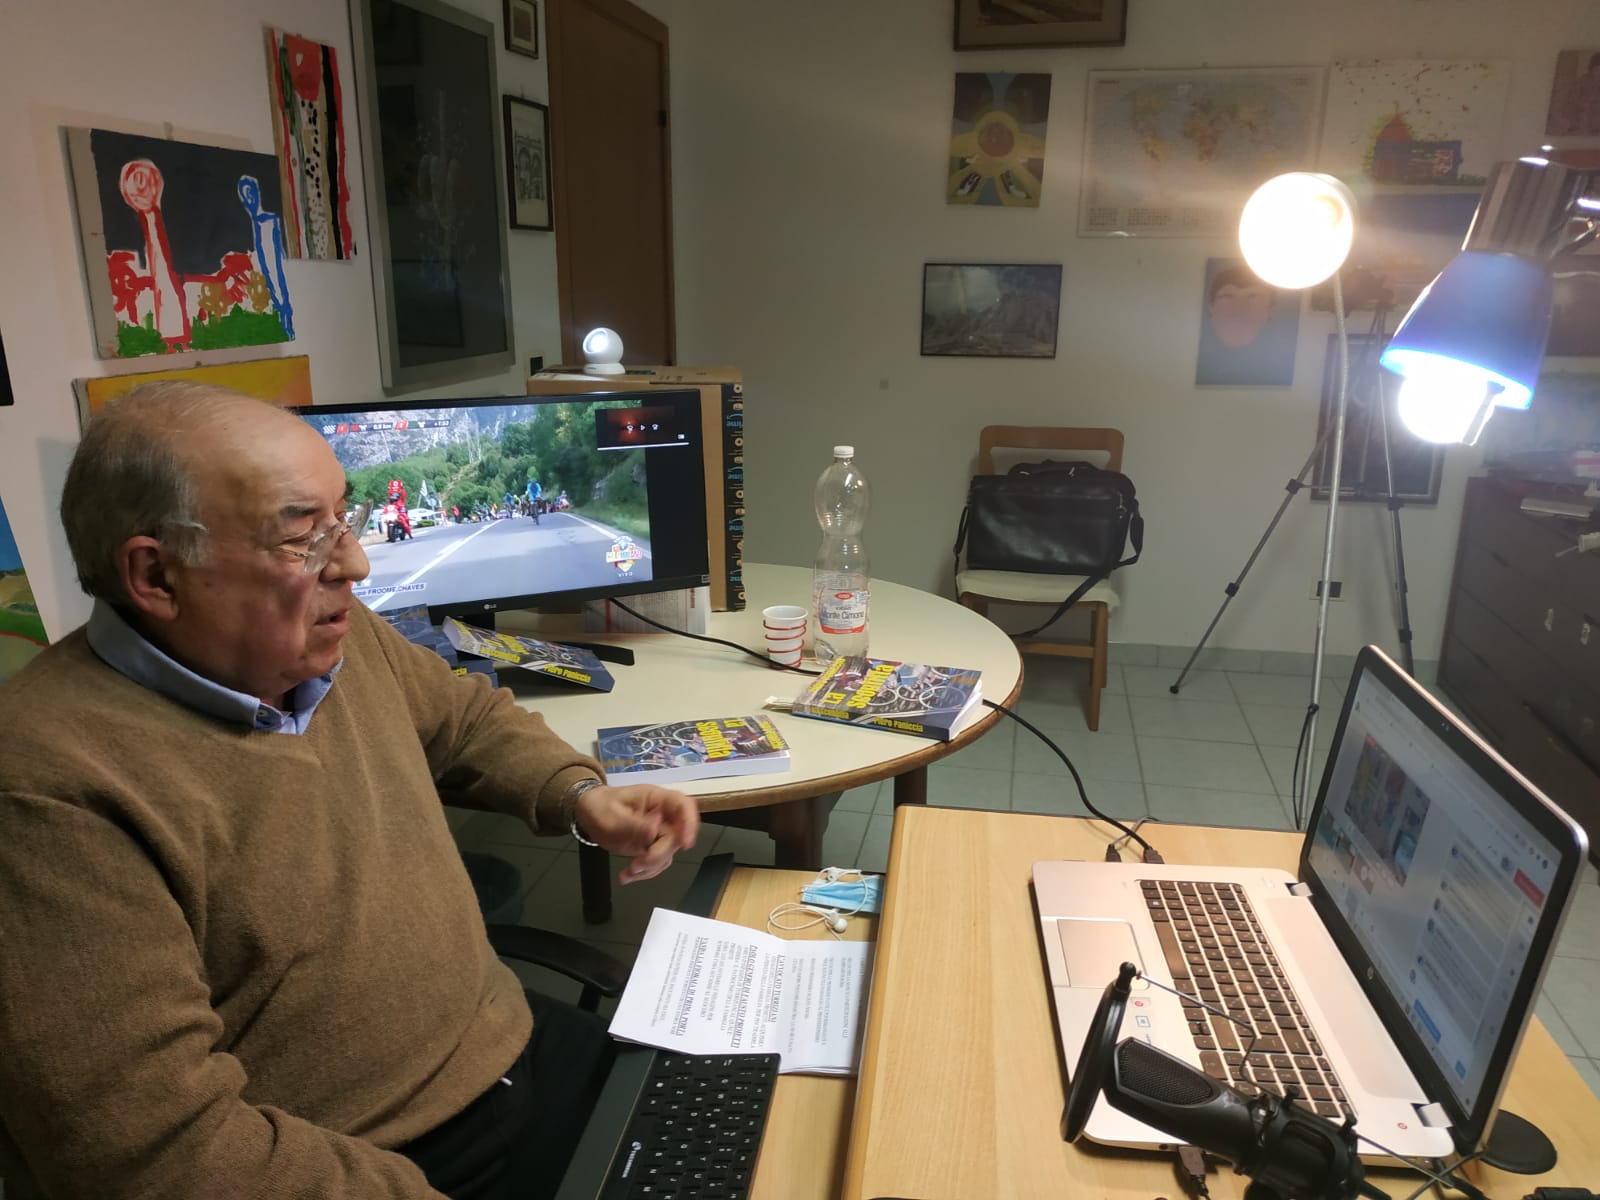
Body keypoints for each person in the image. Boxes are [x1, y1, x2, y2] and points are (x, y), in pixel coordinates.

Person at [0, 382, 700, 1200]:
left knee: (756, 1127)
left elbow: (464, 720)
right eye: (305, 538)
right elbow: (154, 1151)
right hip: (374, 1161)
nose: (356, 564)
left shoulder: (334, 638)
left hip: (511, 1048)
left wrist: (578, 794)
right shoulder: (45, 787)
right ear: (156, 575)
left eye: (346, 519)